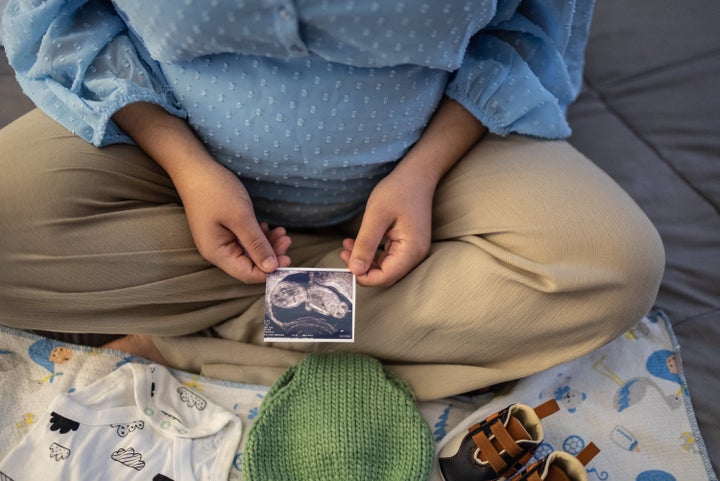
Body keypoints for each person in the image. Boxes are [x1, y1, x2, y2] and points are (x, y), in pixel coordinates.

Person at [0, 0, 664, 400]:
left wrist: (423, 172)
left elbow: (529, 27)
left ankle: (197, 341)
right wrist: (183, 160)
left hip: (437, 155)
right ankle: (328, 314)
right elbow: (60, 17)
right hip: (163, 152)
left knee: (610, 266)